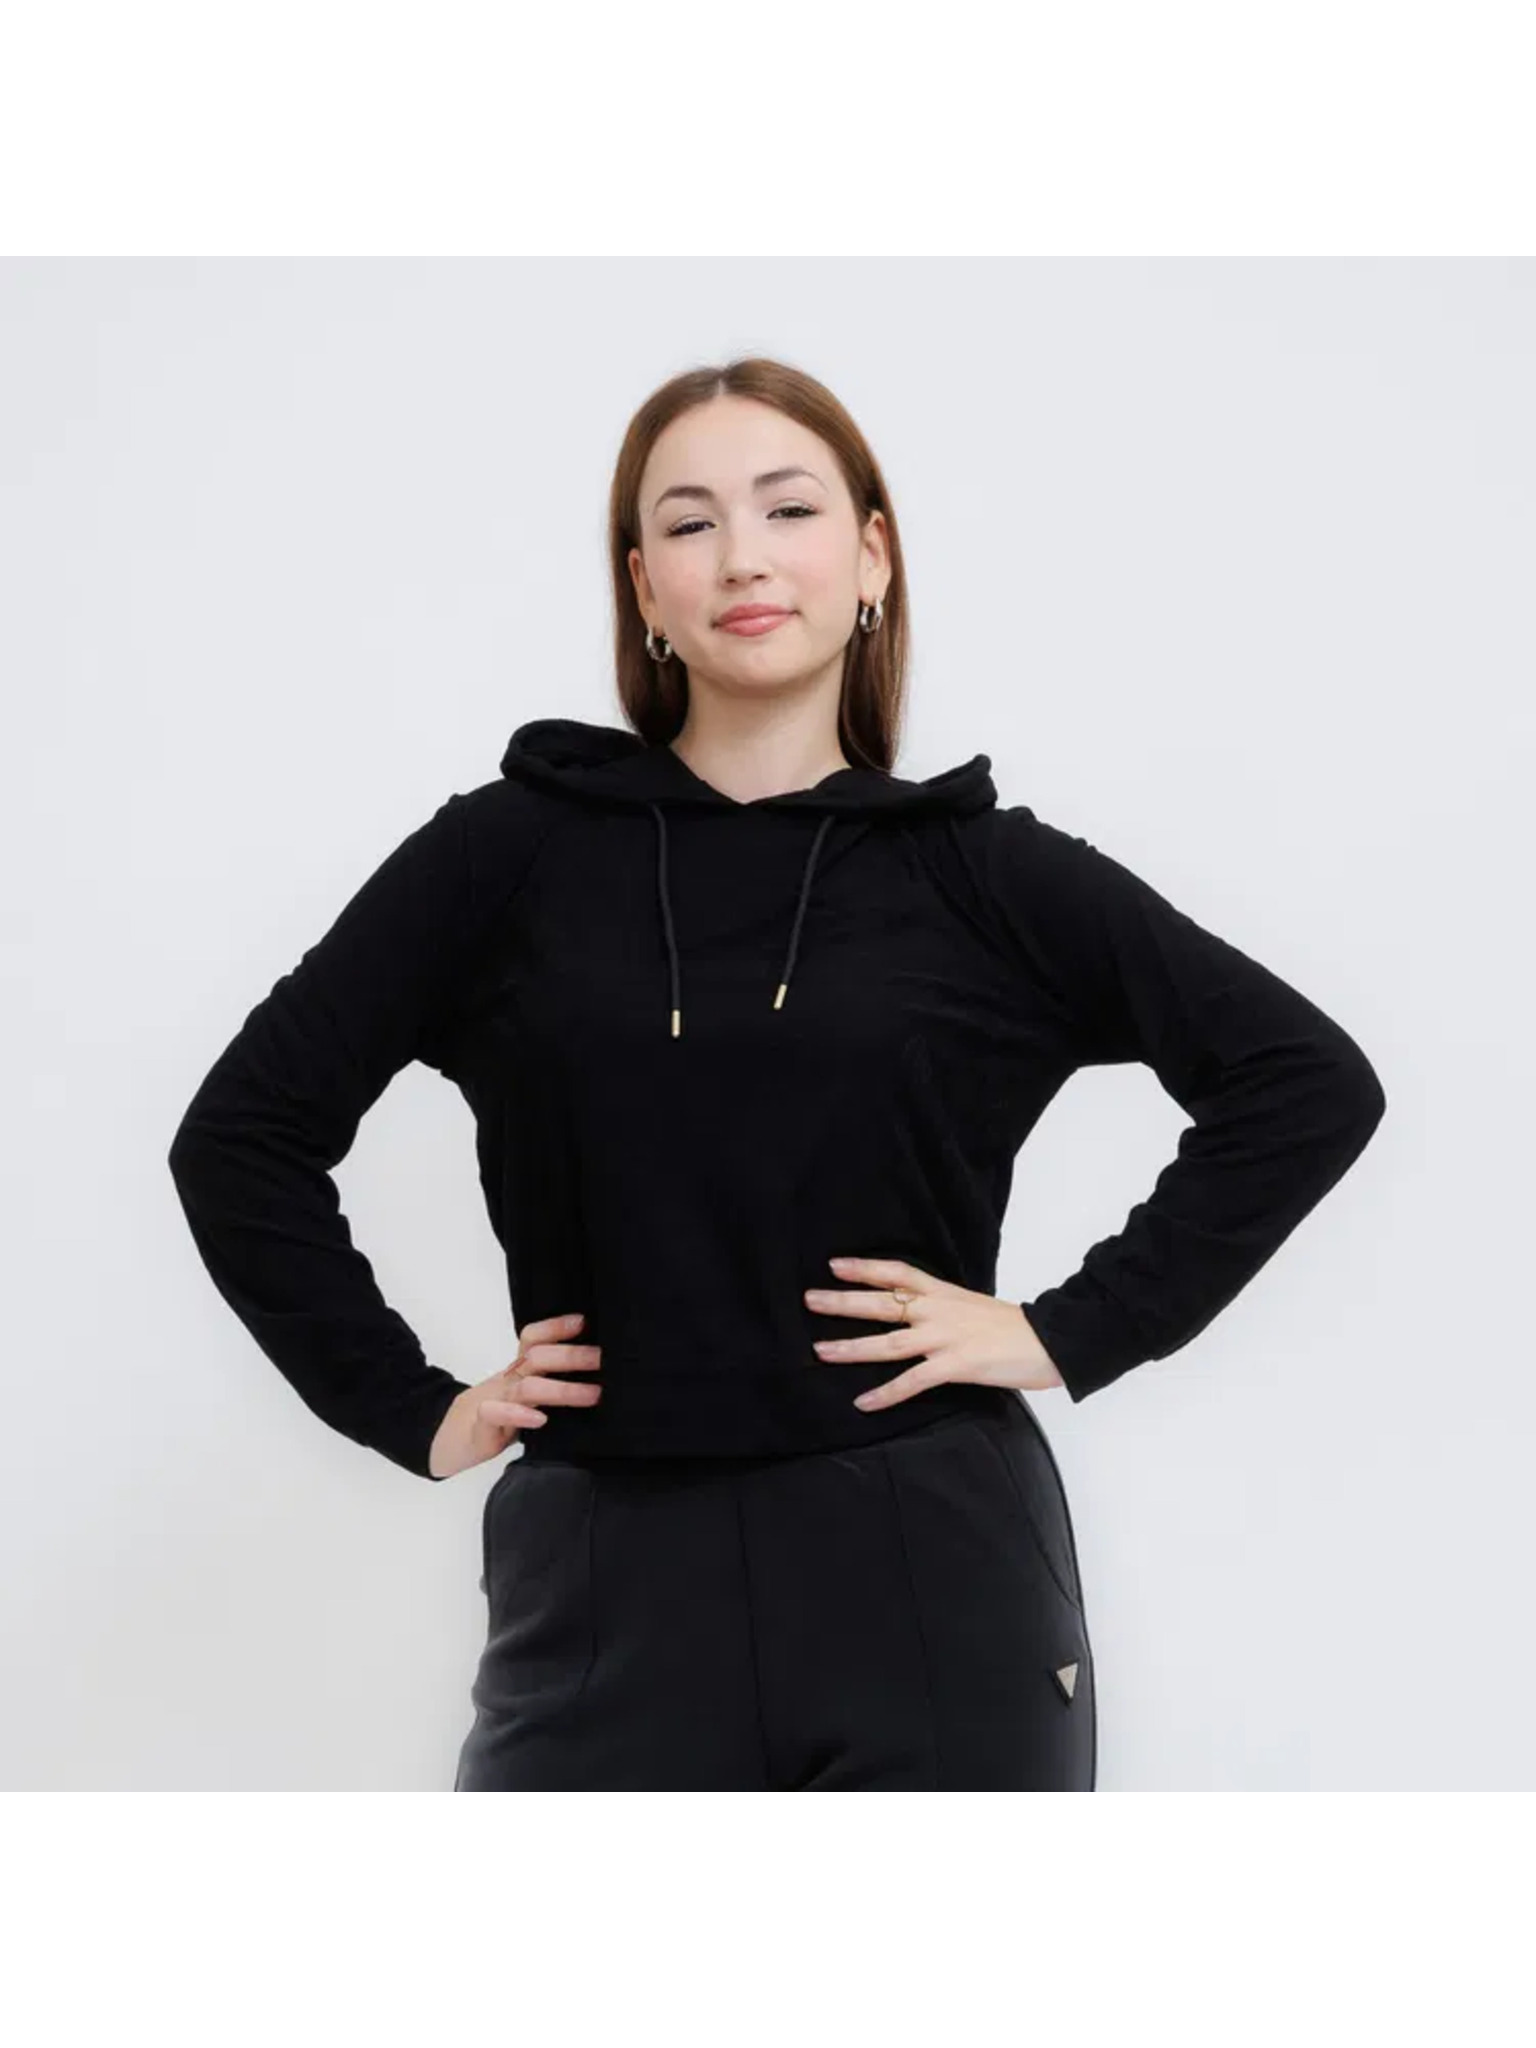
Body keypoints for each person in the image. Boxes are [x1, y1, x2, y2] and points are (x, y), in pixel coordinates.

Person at [166, 356, 1388, 1791]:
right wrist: (409, 1406)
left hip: (931, 1571)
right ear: (644, 587)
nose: (741, 555)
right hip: (604, 1580)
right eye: (689, 523)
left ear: (872, 557)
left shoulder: (980, 873)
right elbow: (240, 1138)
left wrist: (1071, 1329)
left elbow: (1303, 1082)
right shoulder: (507, 856)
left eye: (788, 509)